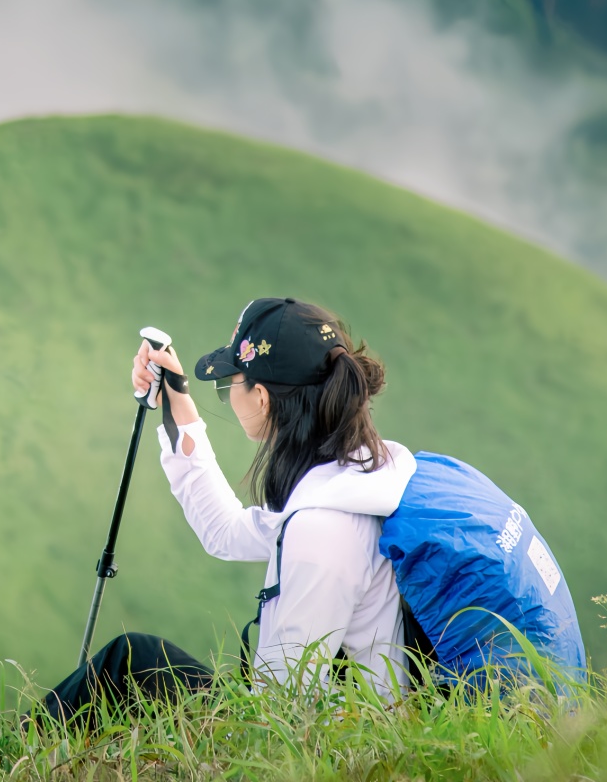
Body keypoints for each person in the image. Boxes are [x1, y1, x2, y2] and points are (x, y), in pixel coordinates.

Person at [41, 296, 417, 720]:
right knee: (134, 659)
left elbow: (281, 709)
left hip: (320, 738)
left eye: (229, 382)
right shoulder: (358, 477)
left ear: (262, 398)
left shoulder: (323, 530)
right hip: (329, 719)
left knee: (127, 662)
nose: (228, 393)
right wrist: (177, 404)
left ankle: (15, 749)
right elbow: (225, 532)